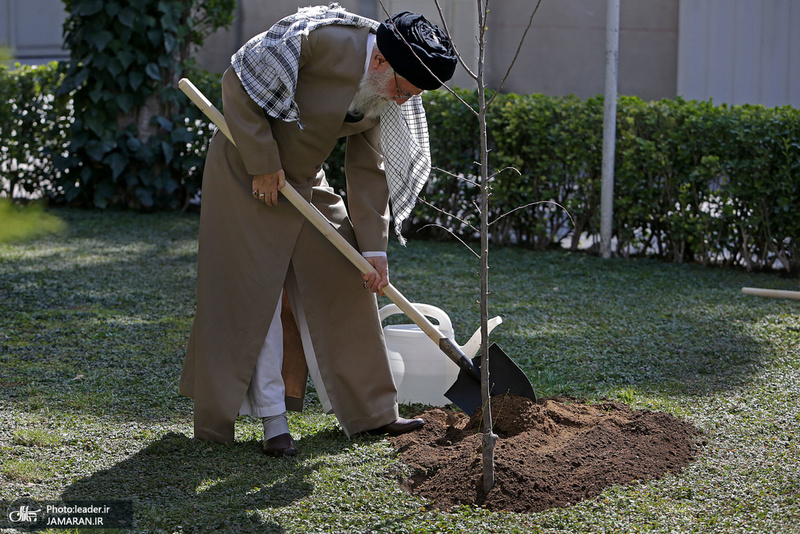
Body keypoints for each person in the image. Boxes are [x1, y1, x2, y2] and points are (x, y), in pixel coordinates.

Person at [179, 5, 458, 457]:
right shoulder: (316, 40)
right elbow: (237, 83)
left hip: (304, 180)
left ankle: (374, 412)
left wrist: (375, 250)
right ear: (380, 61)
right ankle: (273, 422)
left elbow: (370, 168)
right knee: (256, 297)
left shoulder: (386, 89)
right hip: (245, 173)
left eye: (412, 95)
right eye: (402, 91)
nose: (403, 101)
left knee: (347, 278)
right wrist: (263, 164)